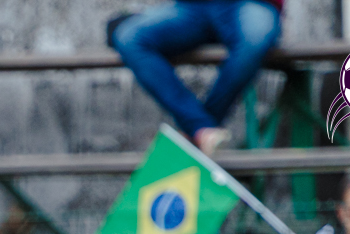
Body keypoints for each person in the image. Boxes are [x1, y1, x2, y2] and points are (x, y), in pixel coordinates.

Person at [109, 0, 283, 156]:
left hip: (251, 4)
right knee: (130, 37)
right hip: (192, 6)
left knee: (255, 39)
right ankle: (203, 129)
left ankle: (199, 129)